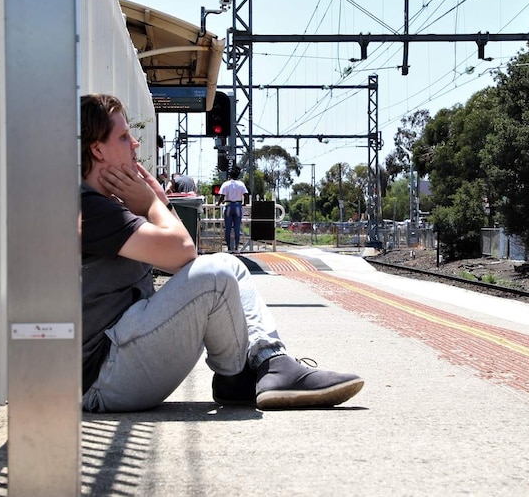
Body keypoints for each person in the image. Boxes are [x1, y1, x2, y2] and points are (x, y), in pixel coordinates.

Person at [79, 93, 363, 412]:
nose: (133, 143)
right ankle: (238, 376)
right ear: (97, 148)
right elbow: (183, 255)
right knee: (215, 277)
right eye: (123, 135)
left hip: (121, 357)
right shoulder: (88, 208)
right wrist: (152, 204)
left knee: (229, 264)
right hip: (106, 378)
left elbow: (180, 261)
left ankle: (271, 363)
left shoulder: (106, 206)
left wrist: (159, 201)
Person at [217, 166, 249, 253]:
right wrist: (244, 203)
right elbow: (246, 195)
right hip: (238, 206)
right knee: (237, 228)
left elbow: (222, 196)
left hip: (228, 205)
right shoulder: (241, 184)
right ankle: (236, 248)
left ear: (230, 176)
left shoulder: (225, 184)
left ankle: (228, 248)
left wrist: (218, 204)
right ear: (238, 175)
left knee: (227, 228)